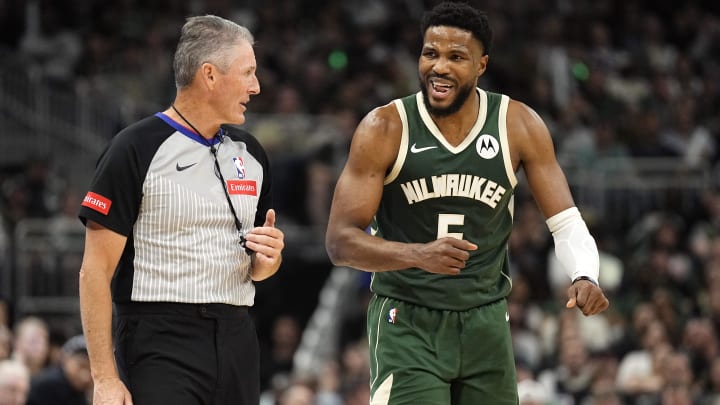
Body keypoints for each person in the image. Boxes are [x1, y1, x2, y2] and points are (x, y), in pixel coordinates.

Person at [324, 2, 609, 404]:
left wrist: (584, 274)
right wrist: (419, 255)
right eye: (430, 53)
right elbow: (339, 241)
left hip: (486, 319)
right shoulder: (384, 127)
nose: (439, 67)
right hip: (408, 319)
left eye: (456, 57)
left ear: (481, 65)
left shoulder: (518, 124)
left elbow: (565, 222)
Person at [78, 15, 285, 405]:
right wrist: (104, 378)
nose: (256, 87)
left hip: (238, 334)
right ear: (209, 75)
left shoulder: (252, 154)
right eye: (248, 73)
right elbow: (94, 272)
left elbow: (259, 267)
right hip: (158, 340)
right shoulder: (133, 148)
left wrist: (268, 260)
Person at [26, 334, 92, 405]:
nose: (85, 376)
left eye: (91, 370)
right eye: (81, 366)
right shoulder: (49, 384)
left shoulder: (78, 389)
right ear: (66, 359)